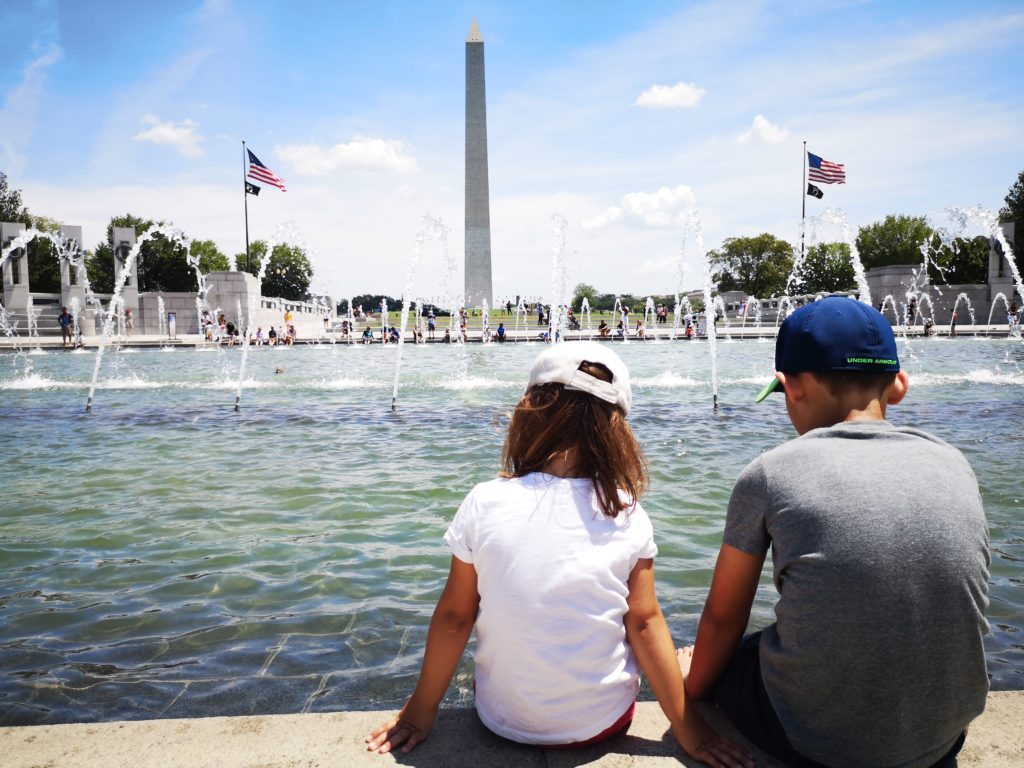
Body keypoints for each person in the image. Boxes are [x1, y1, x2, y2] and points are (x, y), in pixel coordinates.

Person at [366, 343, 751, 766]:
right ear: (617, 428)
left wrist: (421, 712)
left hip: (500, 721)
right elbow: (643, 622)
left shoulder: (485, 501)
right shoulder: (626, 513)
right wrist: (691, 731)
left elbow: (456, 617)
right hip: (602, 723)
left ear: (528, 411)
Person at [682, 296, 990, 768]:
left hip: (817, 744)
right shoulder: (954, 461)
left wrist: (695, 693)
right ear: (899, 386)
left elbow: (724, 618)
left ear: (793, 387)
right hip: (942, 738)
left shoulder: (769, 473)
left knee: (733, 656)